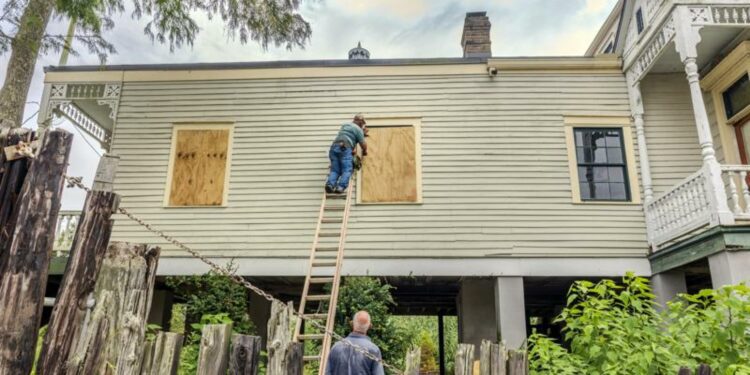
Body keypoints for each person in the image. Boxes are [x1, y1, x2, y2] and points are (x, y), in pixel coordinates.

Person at [325, 310, 385, 375]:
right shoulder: (373, 350)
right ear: (369, 326)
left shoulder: (336, 347)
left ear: (352, 324)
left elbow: (328, 372)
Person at [326, 114, 368, 194]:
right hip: (345, 148)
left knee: (335, 170)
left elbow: (347, 135)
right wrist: (365, 151)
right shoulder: (358, 129)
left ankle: (330, 185)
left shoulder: (345, 125)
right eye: (362, 123)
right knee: (346, 169)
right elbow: (363, 144)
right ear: (360, 122)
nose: (362, 125)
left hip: (334, 147)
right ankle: (340, 187)